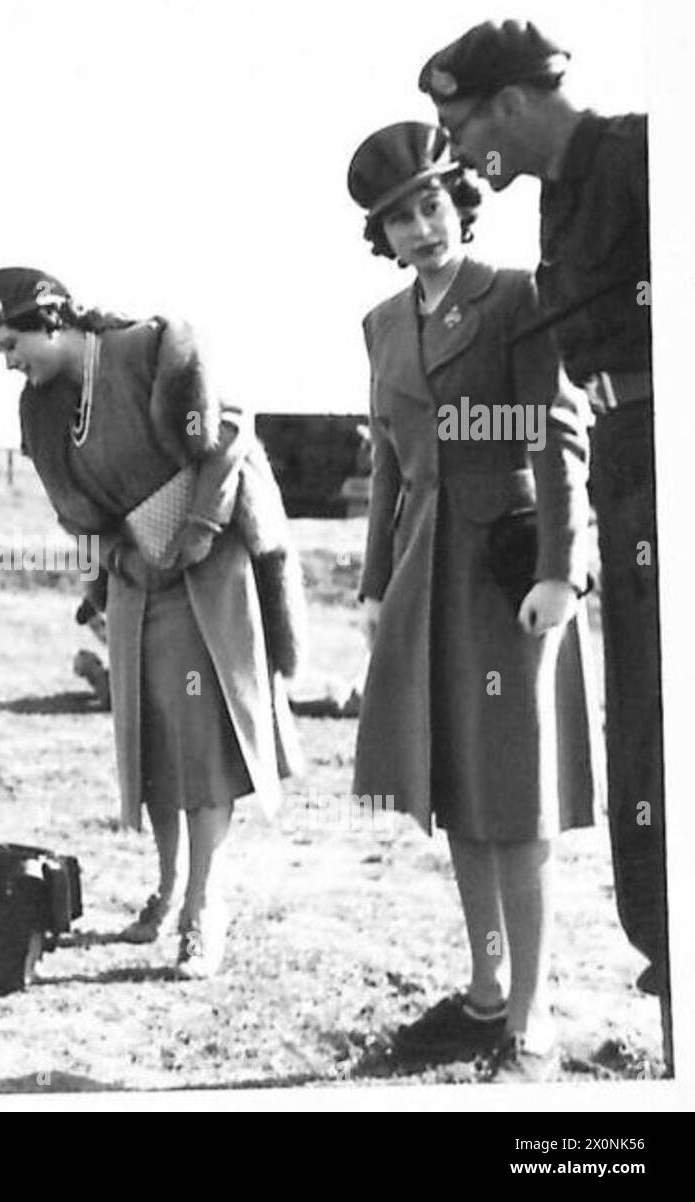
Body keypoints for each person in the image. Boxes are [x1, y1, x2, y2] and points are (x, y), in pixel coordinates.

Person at [418, 16, 670, 1066]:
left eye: (459, 126)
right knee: (649, 750)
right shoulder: (562, 203)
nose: (457, 152)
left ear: (509, 105)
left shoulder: (649, 158)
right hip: (630, 483)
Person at [0, 268, 304, 977]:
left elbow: (229, 433)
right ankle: (169, 889)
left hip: (205, 571)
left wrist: (202, 526)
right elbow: (73, 513)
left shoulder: (151, 351)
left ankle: (206, 908)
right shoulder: (41, 410)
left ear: (50, 319)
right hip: (135, 579)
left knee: (205, 746)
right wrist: (110, 564)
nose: (7, 359)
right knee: (154, 747)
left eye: (10, 340)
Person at [348, 122, 600, 1082]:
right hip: (424, 578)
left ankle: (533, 1025)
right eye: (396, 217)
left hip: (510, 575)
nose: (418, 228)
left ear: (461, 199)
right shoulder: (379, 324)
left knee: (518, 800)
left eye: (429, 204)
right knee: (455, 791)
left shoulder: (516, 298)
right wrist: (375, 583)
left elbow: (558, 435)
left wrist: (559, 570)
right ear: (380, 234)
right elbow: (385, 468)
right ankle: (486, 996)